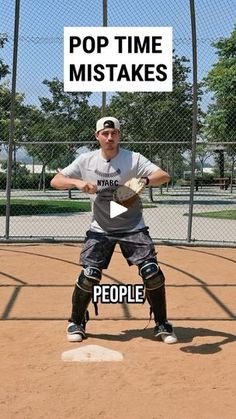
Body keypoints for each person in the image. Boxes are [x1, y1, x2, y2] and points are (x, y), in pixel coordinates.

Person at [50, 116, 177, 344]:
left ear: (119, 135)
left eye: (114, 133)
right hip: (101, 227)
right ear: (97, 136)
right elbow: (56, 181)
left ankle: (162, 323)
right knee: (89, 275)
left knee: (152, 272)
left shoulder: (133, 158)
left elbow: (164, 176)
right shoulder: (86, 161)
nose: (110, 137)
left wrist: (142, 181)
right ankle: (76, 321)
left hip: (133, 226)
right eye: (105, 133)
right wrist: (78, 183)